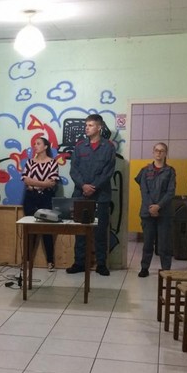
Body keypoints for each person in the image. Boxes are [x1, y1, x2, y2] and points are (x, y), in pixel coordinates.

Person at [67, 113, 116, 276]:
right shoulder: (80, 146)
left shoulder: (108, 147)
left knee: (100, 231)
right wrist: (83, 186)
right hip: (81, 194)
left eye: (90, 125)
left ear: (99, 127)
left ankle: (101, 264)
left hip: (100, 196)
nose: (86, 128)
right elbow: (74, 170)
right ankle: (79, 263)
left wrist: (93, 187)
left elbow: (108, 171)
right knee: (80, 230)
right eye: (86, 125)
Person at [135, 142, 176, 278]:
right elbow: (144, 191)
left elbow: (170, 192)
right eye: (157, 150)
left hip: (164, 213)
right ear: (153, 152)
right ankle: (144, 268)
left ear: (165, 153)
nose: (159, 153)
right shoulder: (145, 171)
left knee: (165, 244)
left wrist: (158, 206)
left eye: (162, 150)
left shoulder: (170, 171)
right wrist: (151, 207)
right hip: (147, 212)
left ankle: (166, 269)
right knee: (147, 242)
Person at [22, 135, 60, 271]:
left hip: (46, 198)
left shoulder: (52, 163)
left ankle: (50, 261)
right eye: (34, 144)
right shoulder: (30, 162)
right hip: (31, 198)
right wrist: (44, 183)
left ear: (45, 146)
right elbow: (26, 180)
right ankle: (27, 261)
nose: (35, 146)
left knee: (47, 230)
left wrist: (34, 183)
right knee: (30, 229)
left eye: (38, 143)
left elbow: (52, 183)